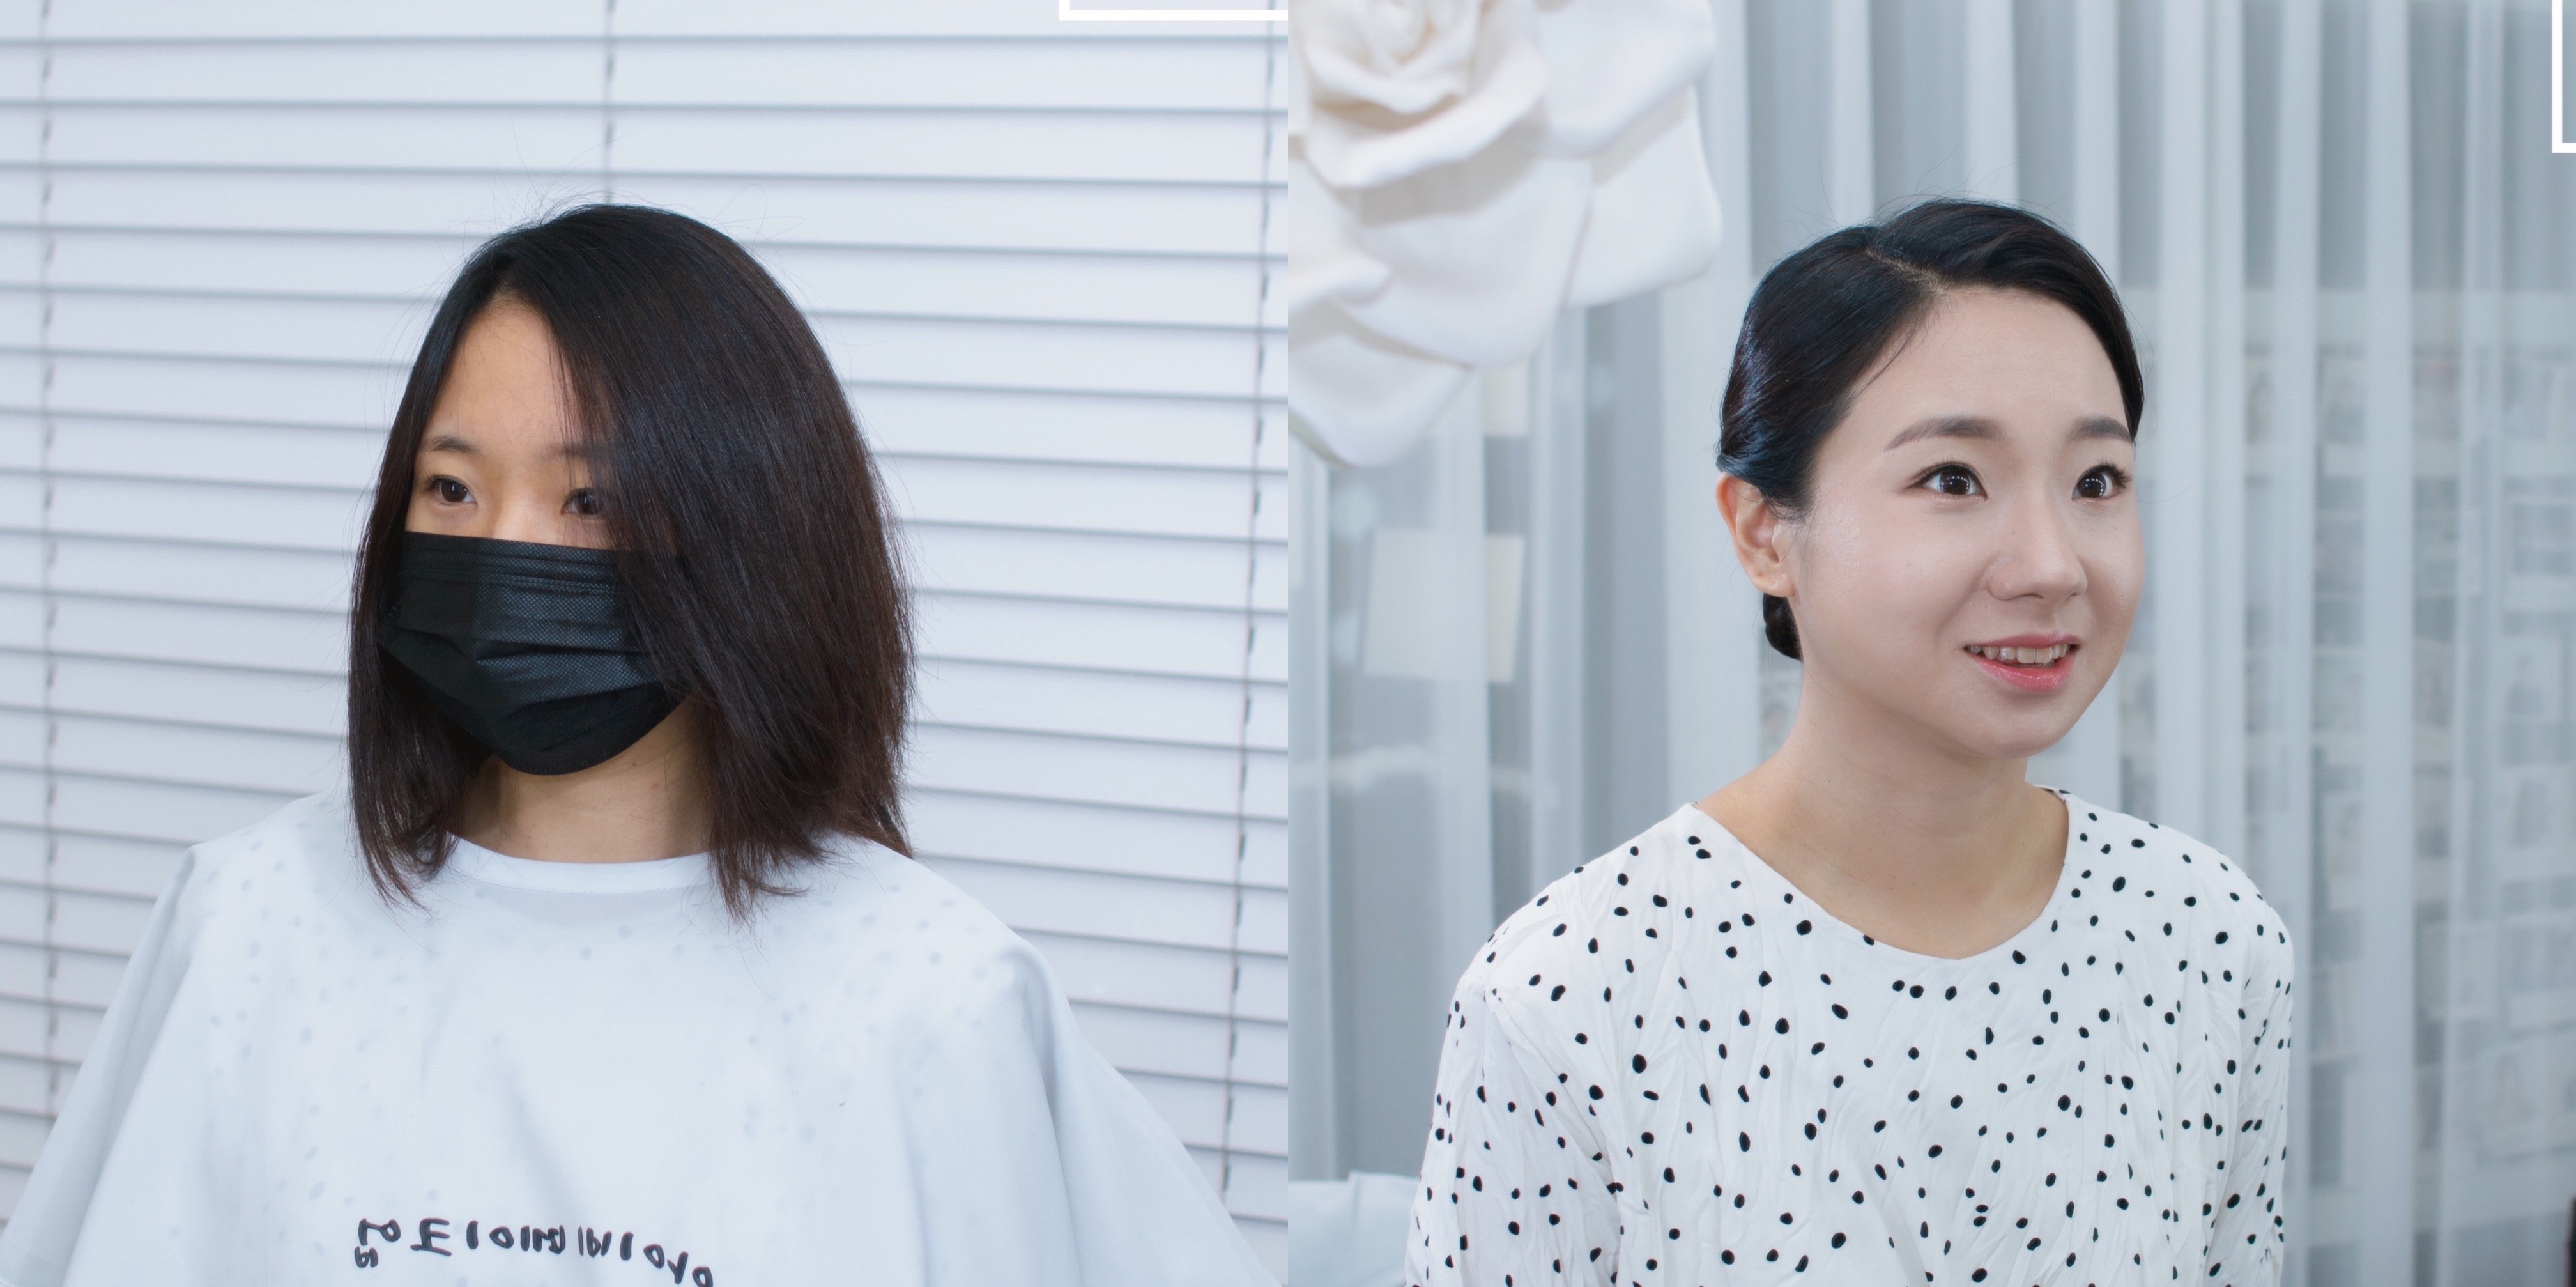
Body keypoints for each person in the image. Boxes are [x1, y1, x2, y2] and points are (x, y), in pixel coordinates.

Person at [0, 205, 1274, 1287]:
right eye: (452, 488)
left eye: (591, 496)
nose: (506, 547)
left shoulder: (934, 999)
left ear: (752, 529)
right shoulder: (248, 918)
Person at [1402, 201, 2292, 1286]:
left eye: (2095, 482)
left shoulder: (2209, 937)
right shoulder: (1571, 994)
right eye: (1953, 479)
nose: (2053, 565)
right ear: (1764, 532)